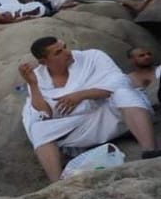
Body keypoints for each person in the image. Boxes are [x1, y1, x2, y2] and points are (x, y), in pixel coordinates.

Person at [20, 37, 159, 181]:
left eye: (65, 47)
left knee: (123, 94)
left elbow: (119, 82)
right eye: (58, 52)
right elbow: (45, 114)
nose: (67, 52)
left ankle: (150, 151)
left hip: (111, 113)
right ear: (44, 61)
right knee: (38, 129)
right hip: (79, 125)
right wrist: (33, 85)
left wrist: (81, 95)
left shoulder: (92, 57)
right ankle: (57, 183)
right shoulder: (38, 76)